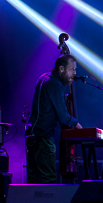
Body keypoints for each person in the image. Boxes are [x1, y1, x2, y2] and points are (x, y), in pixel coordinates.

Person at [25, 54, 82, 184]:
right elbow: (63, 117)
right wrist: (76, 124)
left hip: (32, 135)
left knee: (33, 179)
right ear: (61, 69)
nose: (74, 73)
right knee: (49, 179)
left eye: (75, 69)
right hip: (43, 138)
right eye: (72, 69)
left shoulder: (43, 78)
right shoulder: (55, 85)